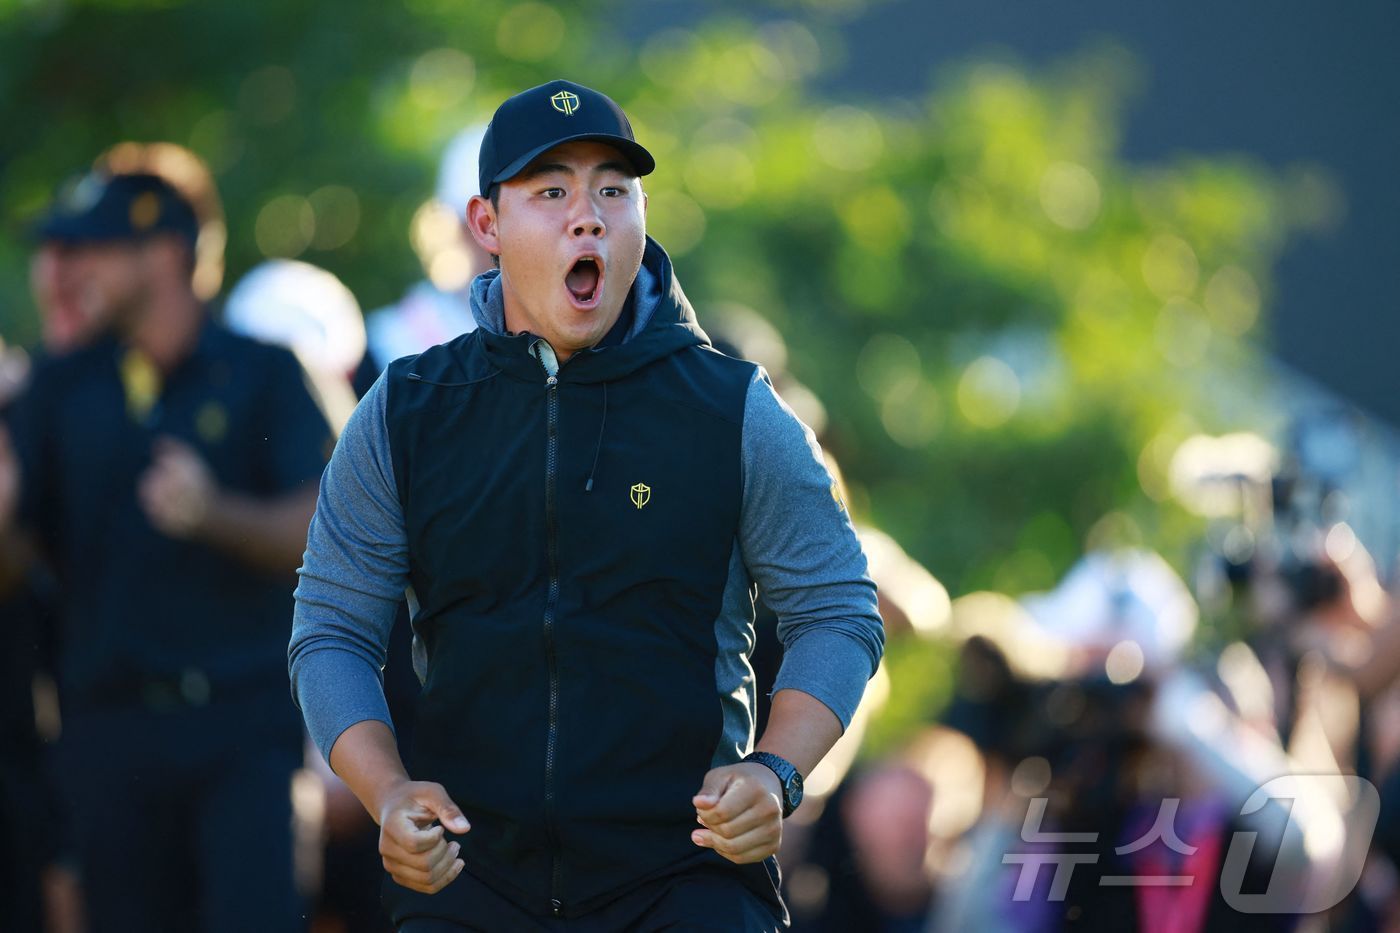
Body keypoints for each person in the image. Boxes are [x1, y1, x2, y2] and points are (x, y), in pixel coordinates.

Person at [289, 79, 885, 931]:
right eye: (551, 190)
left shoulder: (735, 408)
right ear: (486, 225)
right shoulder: (404, 410)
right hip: (469, 879)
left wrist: (776, 771)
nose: (589, 215)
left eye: (614, 188)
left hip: (688, 878)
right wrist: (387, 793)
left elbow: (838, 611)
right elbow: (331, 628)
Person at [0, 165, 332, 932]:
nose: (72, 270)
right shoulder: (59, 387)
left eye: (96, 248)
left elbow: (328, 530)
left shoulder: (265, 370)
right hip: (108, 736)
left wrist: (214, 514)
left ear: (162, 255)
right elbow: (14, 563)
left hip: (241, 734)